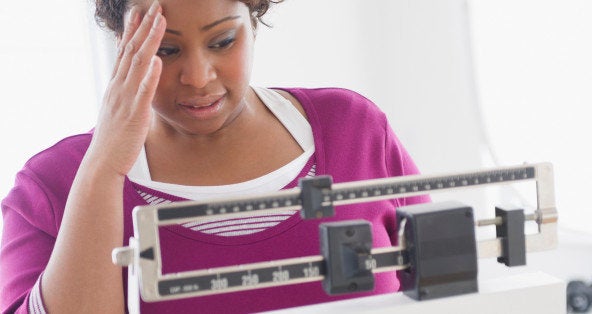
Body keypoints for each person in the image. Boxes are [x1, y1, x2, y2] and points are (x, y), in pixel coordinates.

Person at [0, 0, 430, 312]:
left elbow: (446, 290)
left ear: (255, 20)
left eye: (223, 41)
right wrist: (105, 166)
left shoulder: (354, 128)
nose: (198, 77)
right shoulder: (52, 185)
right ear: (121, 41)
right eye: (166, 50)